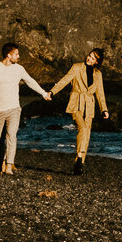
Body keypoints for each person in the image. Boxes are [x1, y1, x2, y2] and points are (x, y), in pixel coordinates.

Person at [0, 42, 50, 175]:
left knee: (11, 135)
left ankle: (9, 165)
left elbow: (30, 81)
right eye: (16, 54)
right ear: (9, 55)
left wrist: (43, 93)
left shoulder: (19, 69)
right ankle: (1, 161)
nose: (18, 56)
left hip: (14, 108)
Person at [50, 47, 109, 175]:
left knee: (86, 134)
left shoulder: (98, 74)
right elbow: (65, 80)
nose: (89, 58)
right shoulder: (77, 67)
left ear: (97, 62)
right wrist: (52, 91)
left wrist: (104, 109)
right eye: (89, 55)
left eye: (93, 58)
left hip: (89, 105)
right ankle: (80, 157)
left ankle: (79, 164)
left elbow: (100, 93)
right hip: (76, 103)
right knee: (82, 128)